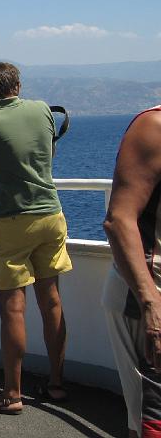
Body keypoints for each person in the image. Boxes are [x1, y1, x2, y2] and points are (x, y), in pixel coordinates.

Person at [0, 61, 73, 414]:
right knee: (51, 302)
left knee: (13, 308)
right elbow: (48, 153)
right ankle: (56, 385)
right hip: (51, 215)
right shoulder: (43, 110)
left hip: (10, 222)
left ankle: (12, 395)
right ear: (18, 85)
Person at [102, 106, 161, 438]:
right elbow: (119, 220)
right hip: (149, 302)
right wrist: (150, 304)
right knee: (153, 426)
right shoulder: (153, 127)